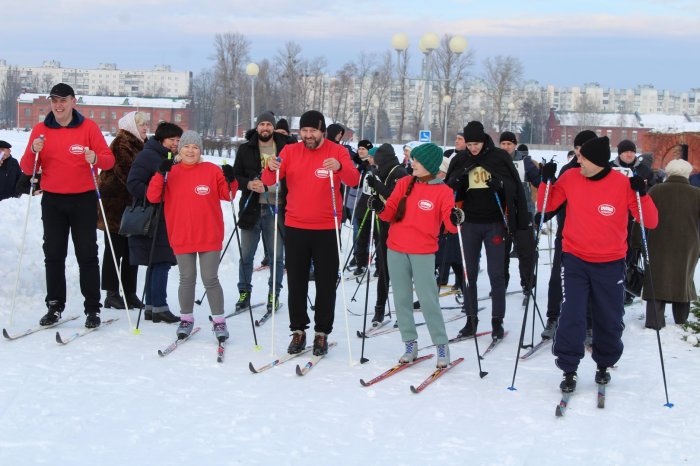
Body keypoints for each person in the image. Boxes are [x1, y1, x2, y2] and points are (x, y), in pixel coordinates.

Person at [538, 136, 658, 393]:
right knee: (572, 315)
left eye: (582, 157)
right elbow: (545, 207)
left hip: (610, 263)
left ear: (596, 161)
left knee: (609, 317)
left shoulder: (622, 184)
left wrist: (643, 194)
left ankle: (604, 363)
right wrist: (545, 182)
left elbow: (650, 221)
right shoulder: (570, 178)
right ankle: (569, 367)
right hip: (575, 260)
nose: (576, 159)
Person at [263, 110, 360, 356]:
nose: (307, 136)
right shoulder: (290, 151)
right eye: (303, 131)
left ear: (322, 132)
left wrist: (339, 167)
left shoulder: (336, 151)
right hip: (296, 226)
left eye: (312, 131)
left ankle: (321, 333)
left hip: (327, 227)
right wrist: (270, 166)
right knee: (296, 281)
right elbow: (269, 179)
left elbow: (354, 178)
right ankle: (298, 331)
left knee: (326, 283)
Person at [19, 83, 115, 328]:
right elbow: (27, 168)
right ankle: (54, 305)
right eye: (55, 101)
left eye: (63, 100)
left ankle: (93, 309)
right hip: (52, 200)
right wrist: (32, 149)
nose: (59, 105)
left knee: (87, 254)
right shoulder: (41, 130)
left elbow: (108, 159)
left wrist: (95, 158)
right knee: (53, 254)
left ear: (74, 101)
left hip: (83, 198)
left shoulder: (88, 127)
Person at [371, 143, 461, 368]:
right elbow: (390, 212)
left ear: (430, 165)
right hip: (396, 248)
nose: (413, 163)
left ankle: (441, 345)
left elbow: (450, 226)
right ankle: (410, 343)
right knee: (401, 300)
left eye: (418, 161)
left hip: (423, 252)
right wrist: (379, 208)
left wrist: (456, 217)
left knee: (429, 301)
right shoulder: (404, 183)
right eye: (413, 160)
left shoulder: (443, 191)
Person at [147, 131, 236, 341]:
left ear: (200, 151)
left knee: (210, 279)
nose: (190, 150)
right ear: (179, 149)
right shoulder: (171, 172)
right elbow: (152, 196)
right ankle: (186, 319)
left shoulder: (211, 170)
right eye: (186, 146)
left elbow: (229, 195)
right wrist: (160, 174)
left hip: (209, 234)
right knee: (187, 279)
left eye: (195, 147)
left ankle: (219, 322)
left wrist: (231, 179)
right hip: (182, 233)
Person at [445, 121, 530, 340]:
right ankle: (470, 320)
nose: (473, 148)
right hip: (469, 224)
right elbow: (449, 187)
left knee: (496, 274)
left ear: (484, 141)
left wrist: (500, 185)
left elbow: (514, 186)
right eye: (469, 144)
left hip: (494, 224)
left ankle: (497, 321)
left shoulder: (498, 157)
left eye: (476, 144)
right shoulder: (461, 159)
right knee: (469, 273)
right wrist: (455, 181)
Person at [541, 130, 597, 340]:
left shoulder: (601, 171)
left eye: (584, 149)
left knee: (590, 283)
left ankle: (589, 323)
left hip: (592, 238)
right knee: (557, 277)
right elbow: (553, 203)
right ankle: (553, 317)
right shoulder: (567, 170)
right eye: (577, 149)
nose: (580, 154)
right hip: (566, 235)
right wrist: (546, 183)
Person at [127, 121, 183, 324]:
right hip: (153, 217)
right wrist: (154, 196)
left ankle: (152, 306)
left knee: (157, 261)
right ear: (161, 139)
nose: (175, 144)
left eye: (178, 140)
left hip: (164, 215)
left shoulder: (166, 156)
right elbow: (133, 183)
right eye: (172, 140)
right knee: (162, 261)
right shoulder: (149, 155)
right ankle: (159, 306)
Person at [233, 111, 288, 314]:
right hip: (252, 207)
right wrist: (248, 183)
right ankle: (244, 292)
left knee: (277, 255)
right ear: (257, 127)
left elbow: (294, 175)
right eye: (262, 124)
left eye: (268, 124)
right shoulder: (246, 148)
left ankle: (274, 293)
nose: (265, 128)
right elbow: (236, 176)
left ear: (273, 127)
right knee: (246, 254)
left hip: (277, 206)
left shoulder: (286, 147)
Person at [639, 159, 700, 329]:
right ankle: (681, 319)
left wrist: (636, 243)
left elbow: (642, 215)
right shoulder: (697, 193)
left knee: (657, 278)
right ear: (687, 173)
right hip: (689, 244)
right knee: (683, 277)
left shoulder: (656, 190)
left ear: (668, 172)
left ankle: (654, 321)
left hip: (658, 241)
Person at [97, 111, 148, 311]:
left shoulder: (140, 145)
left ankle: (129, 292)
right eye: (142, 124)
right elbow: (127, 174)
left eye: (146, 124)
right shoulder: (122, 144)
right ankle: (111, 293)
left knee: (131, 251)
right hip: (116, 208)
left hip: (131, 207)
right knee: (115, 250)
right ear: (132, 126)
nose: (145, 128)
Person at [363, 143, 409, 325]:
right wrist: (375, 198)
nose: (377, 167)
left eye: (379, 163)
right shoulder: (384, 173)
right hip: (384, 225)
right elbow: (383, 197)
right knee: (383, 269)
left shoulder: (399, 173)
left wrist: (377, 185)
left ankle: (402, 312)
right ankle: (379, 309)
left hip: (399, 228)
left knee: (399, 272)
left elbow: (393, 196)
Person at [499, 132, 539, 302]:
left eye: (509, 143)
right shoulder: (496, 160)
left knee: (526, 251)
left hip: (523, 211)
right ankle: (501, 284)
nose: (506, 147)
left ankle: (527, 284)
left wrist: (544, 176)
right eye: (503, 143)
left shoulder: (525, 161)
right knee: (501, 252)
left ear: (515, 145)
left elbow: (538, 181)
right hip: (502, 212)